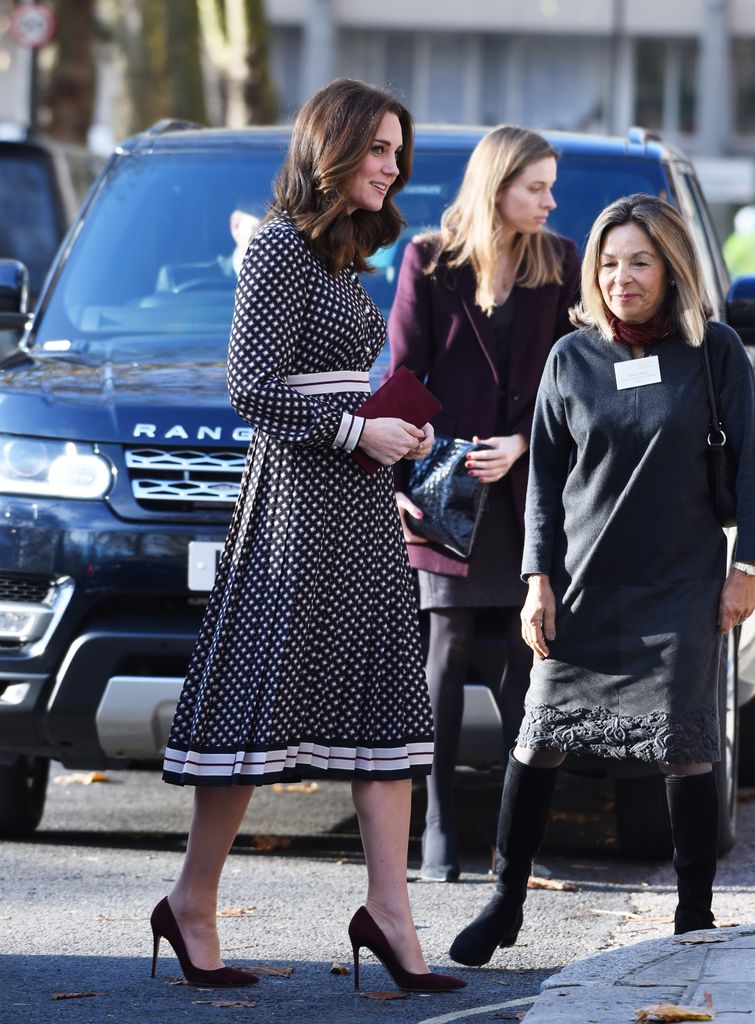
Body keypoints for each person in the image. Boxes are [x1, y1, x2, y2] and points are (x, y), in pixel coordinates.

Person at [151, 78, 465, 996]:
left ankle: (391, 917)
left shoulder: (340, 258)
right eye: (377, 149)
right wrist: (352, 429)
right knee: (258, 698)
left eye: (396, 151)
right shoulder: (281, 250)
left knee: (385, 703)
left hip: (360, 504)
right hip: (294, 504)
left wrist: (394, 427)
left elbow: (325, 383)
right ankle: (191, 902)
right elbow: (248, 386)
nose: (393, 165)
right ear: (331, 148)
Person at [449, 193, 755, 967]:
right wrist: (535, 578)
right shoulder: (571, 357)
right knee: (538, 738)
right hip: (580, 582)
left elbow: (753, 468)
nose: (622, 277)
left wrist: (745, 568)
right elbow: (543, 483)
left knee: (685, 748)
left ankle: (693, 915)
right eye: (609, 262)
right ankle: (505, 901)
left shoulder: (714, 351)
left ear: (670, 267)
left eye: (640, 261)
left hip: (681, 582)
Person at [386, 125, 580, 882]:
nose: (548, 200)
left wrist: (523, 444)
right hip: (446, 479)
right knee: (447, 648)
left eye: (549, 186)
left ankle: (512, 836)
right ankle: (435, 826)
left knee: (522, 658)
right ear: (496, 184)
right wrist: (404, 478)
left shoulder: (561, 263)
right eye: (536, 186)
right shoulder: (429, 262)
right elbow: (405, 374)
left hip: (530, 484)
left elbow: (574, 380)